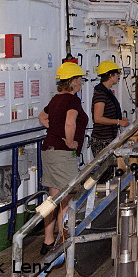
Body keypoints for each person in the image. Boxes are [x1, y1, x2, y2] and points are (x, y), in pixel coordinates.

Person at [38, 62, 89, 254]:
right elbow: (70, 122)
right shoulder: (72, 100)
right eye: (80, 79)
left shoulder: (55, 99)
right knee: (67, 198)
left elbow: (42, 117)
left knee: (53, 198)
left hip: (48, 151)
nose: (81, 82)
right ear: (74, 81)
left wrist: (54, 131)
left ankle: (48, 241)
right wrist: (69, 141)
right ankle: (64, 242)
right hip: (62, 154)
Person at [90, 61, 128, 179]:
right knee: (104, 173)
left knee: (111, 173)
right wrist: (118, 122)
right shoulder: (101, 94)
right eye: (117, 74)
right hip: (102, 140)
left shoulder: (107, 92)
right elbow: (98, 118)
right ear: (110, 75)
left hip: (109, 138)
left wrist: (119, 119)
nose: (118, 76)